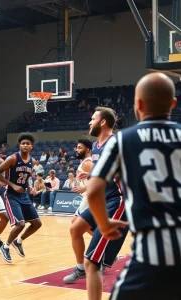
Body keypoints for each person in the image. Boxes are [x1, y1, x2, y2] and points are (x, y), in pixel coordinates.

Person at [87, 72, 181, 300]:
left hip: (152, 252)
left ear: (138, 104)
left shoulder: (123, 140)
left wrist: (104, 223)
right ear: (173, 103)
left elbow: (93, 190)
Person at [75, 107, 129, 300]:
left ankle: (102, 256)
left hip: (117, 200)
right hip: (103, 199)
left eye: (93, 119)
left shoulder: (115, 142)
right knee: (75, 228)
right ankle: (81, 267)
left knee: (93, 262)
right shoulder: (97, 145)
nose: (90, 122)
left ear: (103, 122)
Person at [0, 133, 42, 263]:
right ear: (20, 145)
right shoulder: (12, 158)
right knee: (20, 224)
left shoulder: (32, 161)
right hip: (10, 194)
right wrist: (12, 185)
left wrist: (29, 187)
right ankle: (5, 246)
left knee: (37, 223)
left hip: (23, 195)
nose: (25, 145)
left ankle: (18, 242)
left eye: (27, 143)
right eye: (23, 143)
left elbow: (25, 179)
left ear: (31, 146)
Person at [63, 138, 93, 284]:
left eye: (79, 147)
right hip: (85, 197)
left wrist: (84, 188)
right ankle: (107, 248)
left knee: (75, 228)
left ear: (88, 149)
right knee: (76, 224)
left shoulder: (88, 162)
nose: (76, 149)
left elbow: (101, 180)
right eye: (76, 147)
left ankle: (80, 268)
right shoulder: (84, 162)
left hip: (91, 198)